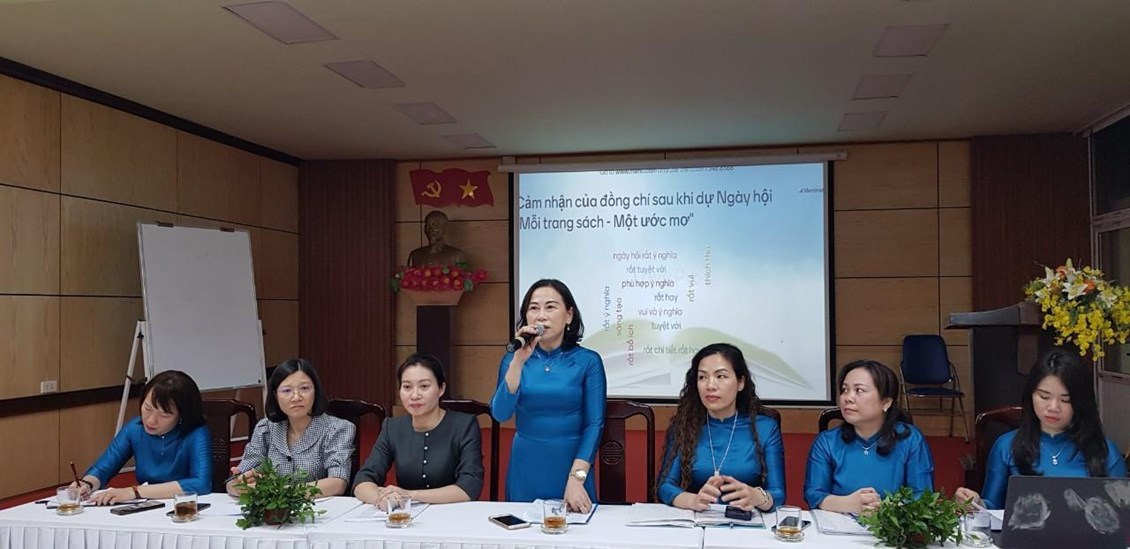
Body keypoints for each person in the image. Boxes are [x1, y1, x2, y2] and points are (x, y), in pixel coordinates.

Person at [955, 348, 1127, 509]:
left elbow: (1123, 515)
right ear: (1031, 395)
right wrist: (975, 504)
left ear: (1081, 402)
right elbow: (992, 509)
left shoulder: (1105, 451)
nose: (1053, 407)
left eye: (1065, 400)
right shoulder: (1006, 446)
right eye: (1044, 397)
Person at [491, 279, 606, 512]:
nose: (541, 316)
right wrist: (518, 362)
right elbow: (500, 414)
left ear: (569, 315)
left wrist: (577, 478)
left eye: (550, 307)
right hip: (526, 463)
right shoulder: (513, 360)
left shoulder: (588, 361)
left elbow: (594, 425)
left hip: (572, 465)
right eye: (534, 308)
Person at [656, 343, 786, 512]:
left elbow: (778, 494)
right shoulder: (684, 426)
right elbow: (665, 486)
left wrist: (756, 496)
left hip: (746, 522)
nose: (710, 385)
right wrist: (693, 500)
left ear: (740, 382)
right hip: (698, 521)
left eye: (721, 376)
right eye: (702, 377)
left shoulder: (766, 428)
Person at [353, 353, 484, 507]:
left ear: (441, 389)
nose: (415, 395)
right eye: (407, 387)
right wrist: (381, 498)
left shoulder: (464, 425)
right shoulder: (392, 427)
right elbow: (363, 480)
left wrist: (410, 495)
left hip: (452, 513)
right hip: (406, 514)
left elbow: (470, 486)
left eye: (424, 386)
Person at [804, 359, 934, 513]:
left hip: (892, 525)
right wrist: (846, 504)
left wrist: (883, 509)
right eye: (845, 390)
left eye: (859, 390)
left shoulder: (910, 439)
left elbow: (922, 497)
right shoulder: (827, 441)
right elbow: (814, 494)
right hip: (838, 523)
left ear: (886, 402)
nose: (848, 398)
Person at [74, 370, 211, 504]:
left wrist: (135, 491)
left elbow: (201, 483)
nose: (151, 420)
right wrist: (87, 483)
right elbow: (103, 468)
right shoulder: (135, 428)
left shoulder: (195, 432)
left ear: (182, 415)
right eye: (147, 408)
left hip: (185, 506)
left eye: (164, 415)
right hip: (146, 506)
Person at [227, 358, 355, 497]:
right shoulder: (265, 429)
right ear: (275, 396)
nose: (296, 397)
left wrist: (277, 491)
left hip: (319, 508)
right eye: (287, 390)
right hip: (271, 509)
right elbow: (233, 482)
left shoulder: (338, 429)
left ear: (316, 391)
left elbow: (338, 483)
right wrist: (239, 483)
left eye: (304, 388)